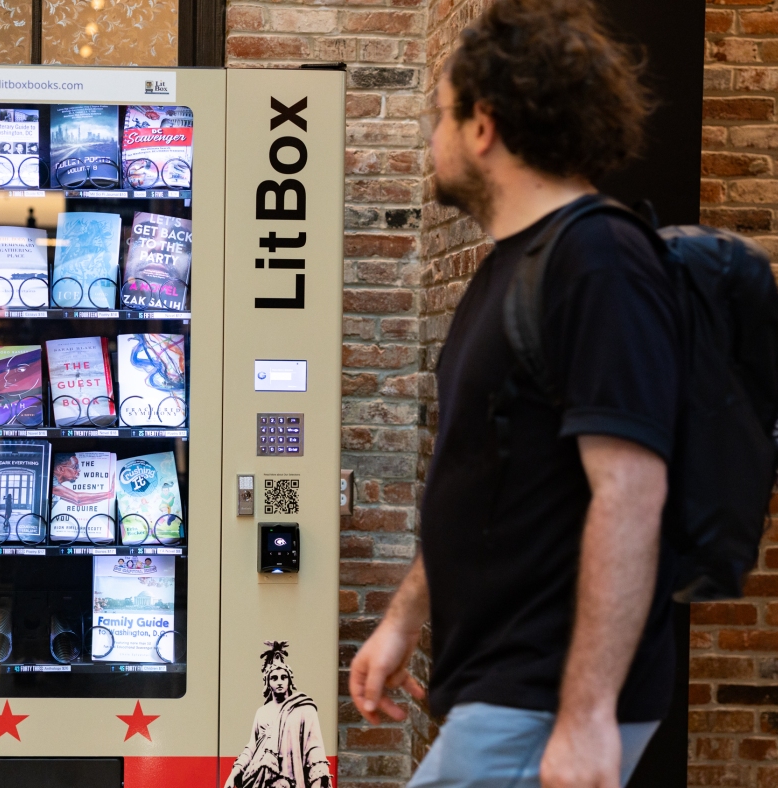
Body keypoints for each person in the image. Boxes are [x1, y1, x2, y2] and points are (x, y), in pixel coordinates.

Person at [347, 1, 678, 787]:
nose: (431, 141)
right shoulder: (510, 268)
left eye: (440, 118)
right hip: (508, 692)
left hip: (543, 697)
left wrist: (588, 713)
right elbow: (485, 481)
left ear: (483, 125)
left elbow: (630, 492)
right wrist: (404, 620)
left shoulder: (598, 261)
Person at [226, 642, 331, 788]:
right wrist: (234, 773)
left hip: (290, 782)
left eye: (284, 677)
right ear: (267, 683)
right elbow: (251, 747)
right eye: (274, 678)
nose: (279, 682)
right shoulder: (262, 712)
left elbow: (314, 749)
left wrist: (317, 781)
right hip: (261, 779)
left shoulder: (304, 709)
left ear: (290, 680)